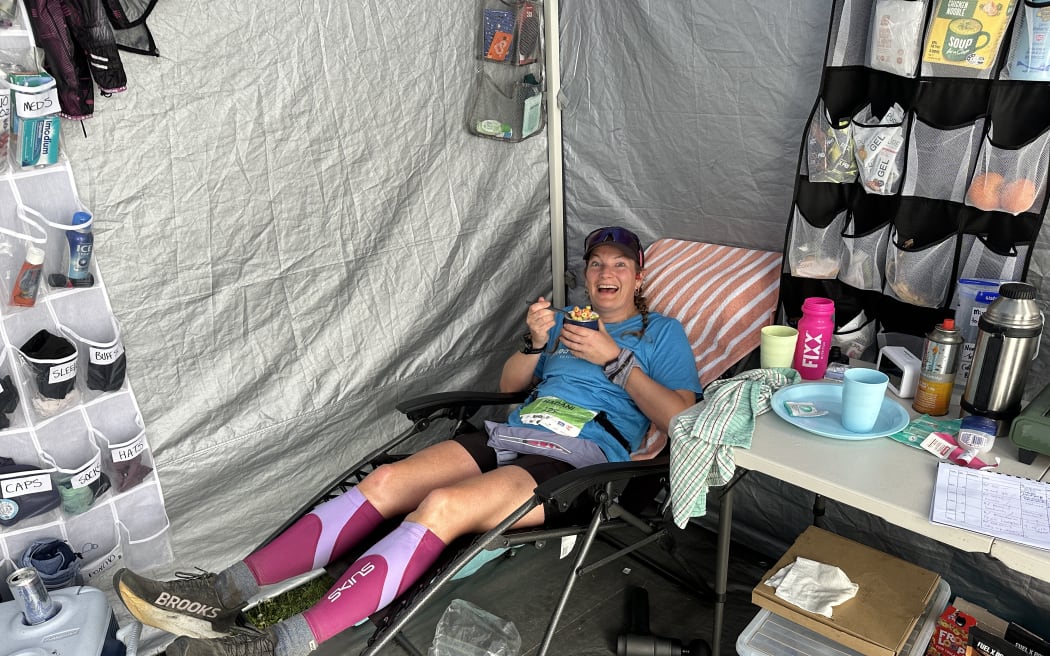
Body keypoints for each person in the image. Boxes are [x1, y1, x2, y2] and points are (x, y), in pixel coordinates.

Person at [113, 226, 703, 656]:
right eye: (597, 262)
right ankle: (223, 591)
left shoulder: (661, 335)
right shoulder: (572, 322)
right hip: (515, 429)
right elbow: (509, 387)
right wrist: (531, 343)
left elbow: (681, 418)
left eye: (619, 265)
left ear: (639, 276)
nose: (605, 274)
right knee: (385, 482)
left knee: (442, 508)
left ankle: (281, 645)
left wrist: (616, 362)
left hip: (580, 457)